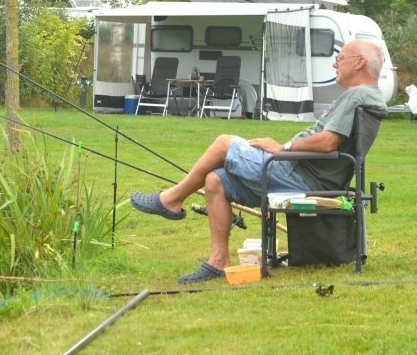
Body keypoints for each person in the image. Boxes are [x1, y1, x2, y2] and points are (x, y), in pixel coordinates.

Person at [130, 39, 387, 284]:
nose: (334, 64)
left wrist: (283, 147)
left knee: (224, 143)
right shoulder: (365, 96)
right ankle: (218, 261)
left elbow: (328, 142)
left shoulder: (357, 95)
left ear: (359, 62)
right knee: (215, 180)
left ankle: (171, 200)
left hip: (302, 176)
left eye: (340, 58)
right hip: (301, 172)